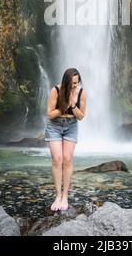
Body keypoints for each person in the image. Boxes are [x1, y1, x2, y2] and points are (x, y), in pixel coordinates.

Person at [44, 68, 87, 211]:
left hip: (71, 126)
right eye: (73, 83)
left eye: (77, 82)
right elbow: (49, 115)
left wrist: (73, 105)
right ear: (66, 81)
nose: (75, 85)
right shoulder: (56, 90)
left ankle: (65, 196)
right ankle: (57, 195)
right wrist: (64, 106)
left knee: (67, 159)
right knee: (57, 159)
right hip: (54, 126)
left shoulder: (82, 92)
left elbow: (81, 116)